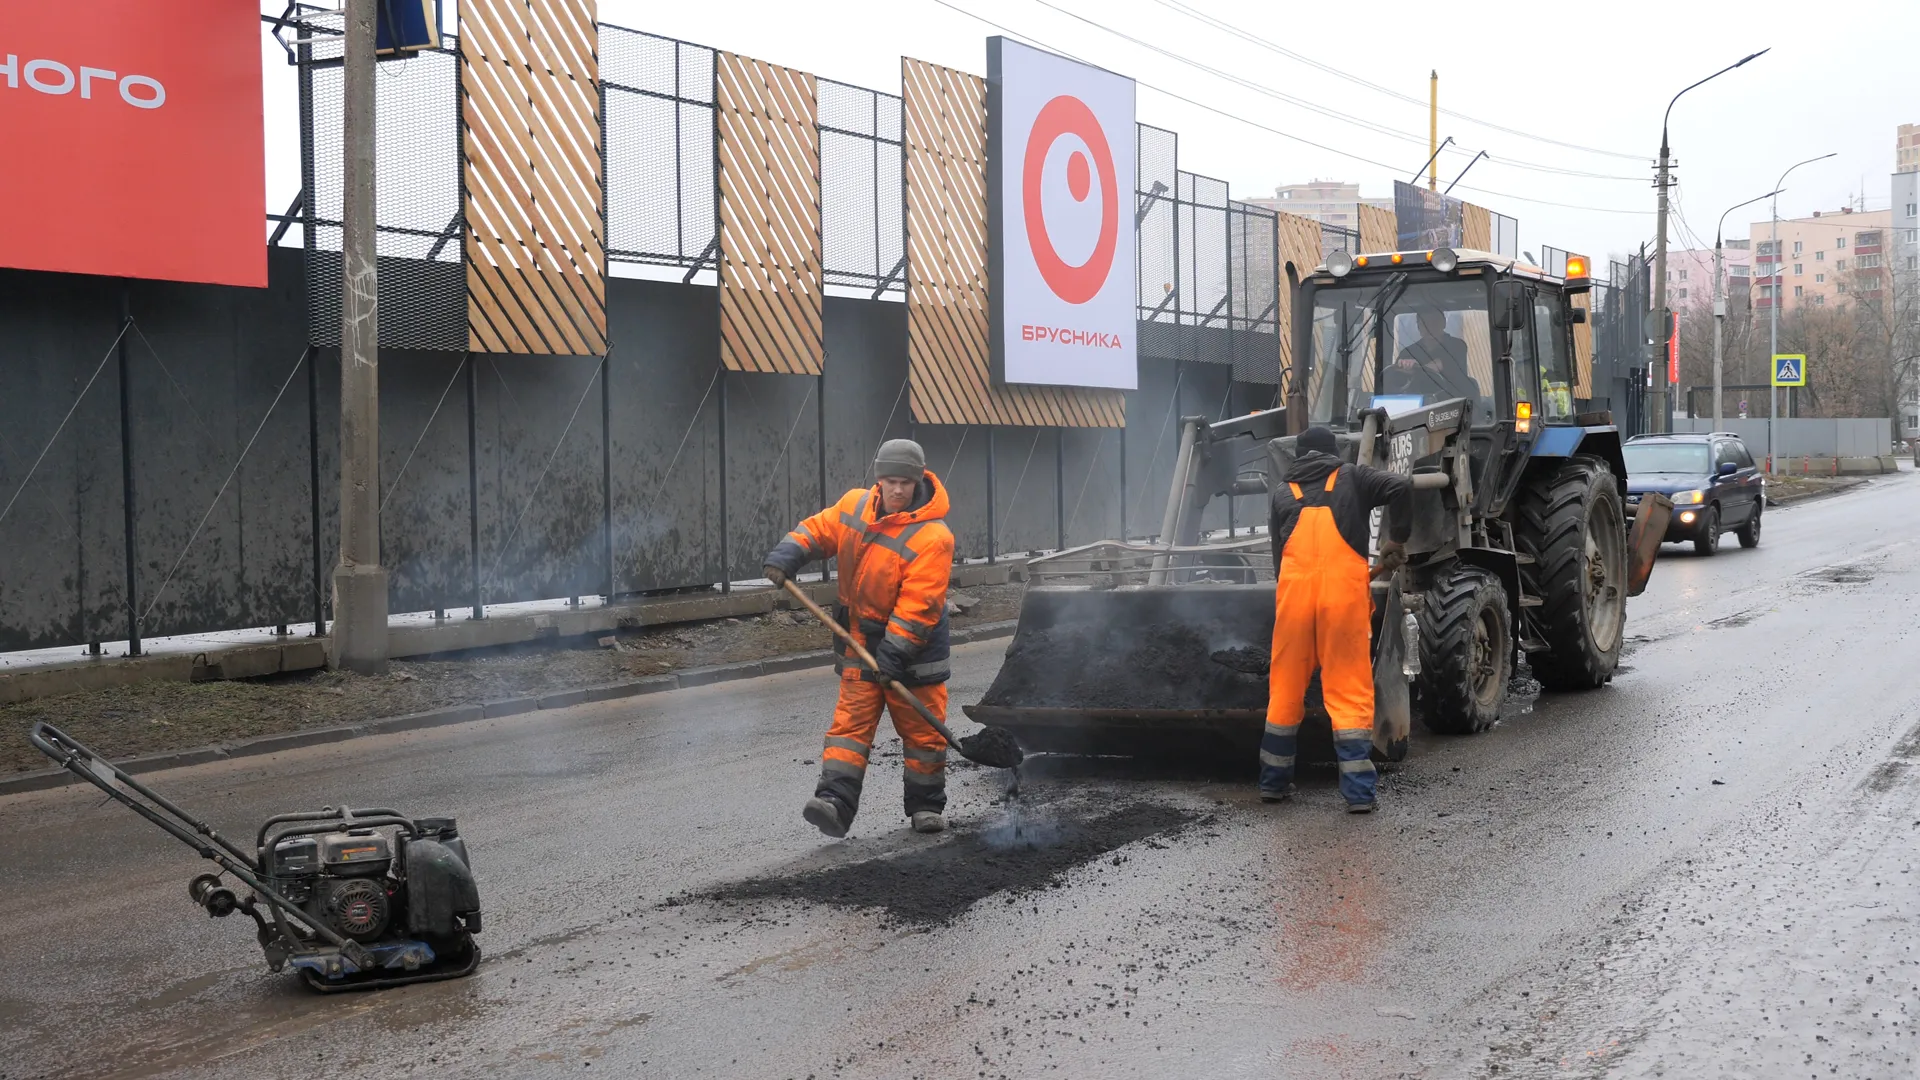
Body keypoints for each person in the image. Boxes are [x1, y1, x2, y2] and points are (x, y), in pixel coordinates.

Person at [763, 439, 956, 839]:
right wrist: (788, 553)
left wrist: (895, 653)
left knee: (922, 734)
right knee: (849, 728)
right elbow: (819, 530)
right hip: (859, 641)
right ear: (878, 480)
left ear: (918, 479)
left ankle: (925, 806)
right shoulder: (854, 506)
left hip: (914, 649)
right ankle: (834, 803)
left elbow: (918, 605)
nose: (898, 490)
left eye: (905, 481)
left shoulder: (933, 536)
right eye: (890, 481)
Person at [1260, 425, 1412, 813]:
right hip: (1341, 603)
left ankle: (1273, 786)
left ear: (1299, 455)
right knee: (1347, 693)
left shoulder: (1282, 491)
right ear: (1333, 453)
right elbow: (1401, 488)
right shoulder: (1353, 477)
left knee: (1284, 693)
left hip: (1293, 601)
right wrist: (1396, 540)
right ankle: (1359, 796)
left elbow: (1280, 561)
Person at [1382, 310, 1474, 403]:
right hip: (1417, 404)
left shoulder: (1457, 345)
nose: (1429, 327)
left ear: (1444, 324)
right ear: (1418, 326)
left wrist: (1415, 367)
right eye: (1424, 323)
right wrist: (1403, 370)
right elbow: (1397, 381)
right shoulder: (1408, 351)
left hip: (1452, 402)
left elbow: (1438, 365)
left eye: (1434, 322)